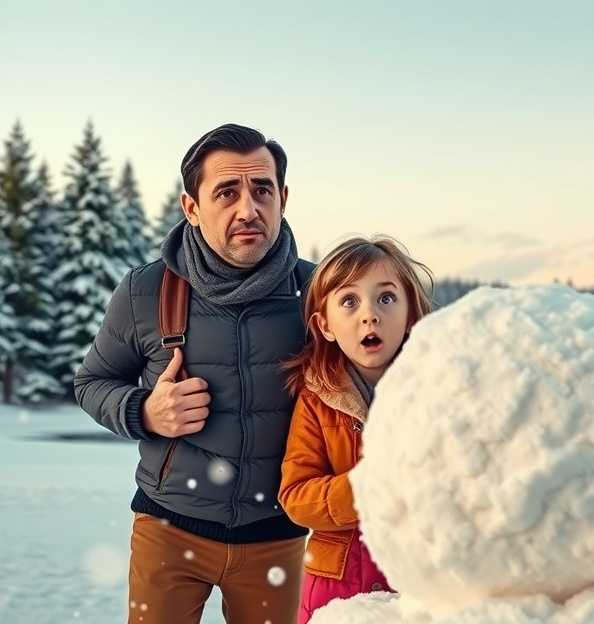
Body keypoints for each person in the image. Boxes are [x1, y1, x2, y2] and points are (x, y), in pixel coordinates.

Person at [74, 123, 314, 624]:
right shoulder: (146, 291)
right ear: (191, 207)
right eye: (226, 192)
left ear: (283, 197)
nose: (247, 209)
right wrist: (145, 411)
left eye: (262, 190)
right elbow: (91, 382)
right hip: (170, 529)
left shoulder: (318, 294)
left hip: (279, 537)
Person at [278, 236, 433, 623]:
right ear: (325, 325)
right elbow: (296, 497)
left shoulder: (435, 392)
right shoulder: (316, 400)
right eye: (350, 301)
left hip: (416, 584)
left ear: (411, 313)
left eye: (386, 298)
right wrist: (367, 486)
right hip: (336, 589)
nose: (370, 315)